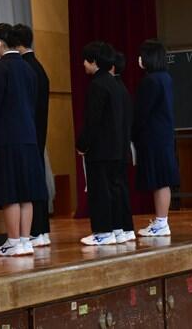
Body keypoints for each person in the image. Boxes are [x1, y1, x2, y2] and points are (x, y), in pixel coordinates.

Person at [0, 23, 48, 257]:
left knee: (9, 193)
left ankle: (13, 241)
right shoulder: (29, 70)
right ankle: (26, 241)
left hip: (5, 139)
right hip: (29, 138)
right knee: (26, 193)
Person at [75, 41, 124, 246]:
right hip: (116, 147)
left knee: (100, 191)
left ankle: (103, 232)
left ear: (94, 61)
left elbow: (92, 120)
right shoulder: (114, 83)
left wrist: (82, 144)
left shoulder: (97, 85)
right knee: (114, 190)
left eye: (86, 61)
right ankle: (117, 229)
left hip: (100, 149)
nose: (83, 64)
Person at [132, 40, 179, 237]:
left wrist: (132, 133)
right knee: (163, 179)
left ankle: (161, 223)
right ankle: (161, 221)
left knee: (159, 180)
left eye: (142, 55)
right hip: (164, 136)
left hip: (153, 137)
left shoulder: (150, 80)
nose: (139, 58)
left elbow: (141, 112)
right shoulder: (165, 77)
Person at [12, 24, 51, 247]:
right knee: (37, 178)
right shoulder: (38, 66)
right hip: (39, 130)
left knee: (31, 182)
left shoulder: (25, 68)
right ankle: (41, 230)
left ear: (17, 44)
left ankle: (36, 230)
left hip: (28, 132)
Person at [111, 52, 135, 243]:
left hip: (115, 146)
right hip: (123, 145)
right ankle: (126, 228)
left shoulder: (112, 87)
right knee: (121, 187)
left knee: (116, 188)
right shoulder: (122, 87)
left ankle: (119, 228)